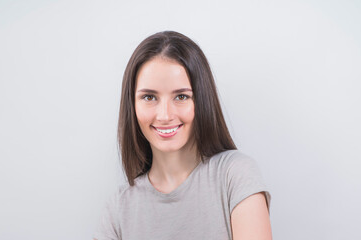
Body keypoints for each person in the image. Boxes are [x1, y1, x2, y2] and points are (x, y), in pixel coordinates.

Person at [93, 31, 272, 240]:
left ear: (202, 100)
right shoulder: (119, 207)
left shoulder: (235, 175)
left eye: (181, 96)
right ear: (132, 105)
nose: (165, 115)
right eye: (149, 97)